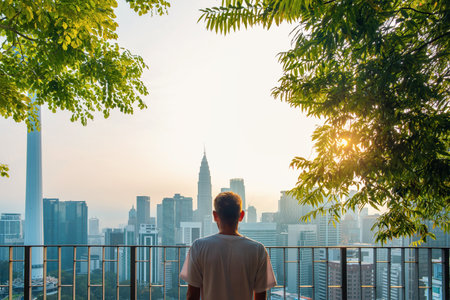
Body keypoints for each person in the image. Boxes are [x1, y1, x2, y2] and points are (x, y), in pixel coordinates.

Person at [180, 192, 276, 300]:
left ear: (215, 216)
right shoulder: (258, 250)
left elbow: (192, 295)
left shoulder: (199, 247)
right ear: (241, 215)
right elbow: (261, 297)